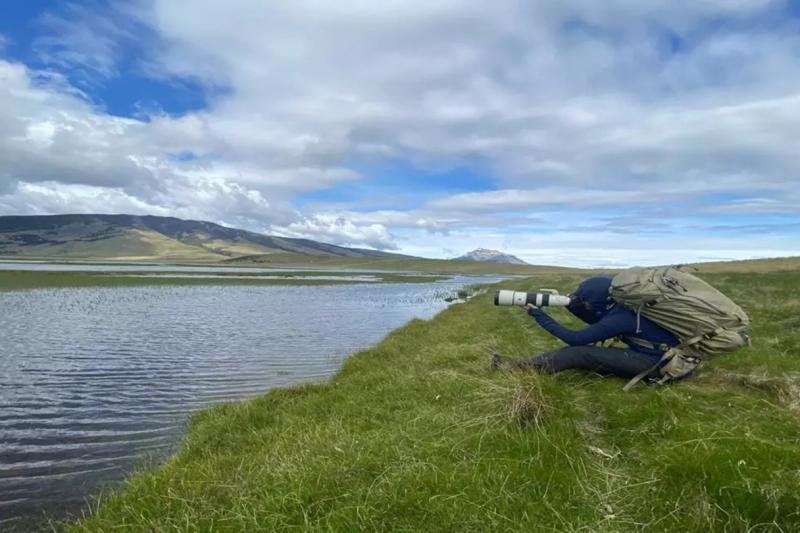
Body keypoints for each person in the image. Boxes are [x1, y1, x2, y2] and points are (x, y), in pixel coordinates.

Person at [491, 276, 679, 380]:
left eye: (585, 301)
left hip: (659, 364)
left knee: (577, 353)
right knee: (583, 352)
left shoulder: (622, 317)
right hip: (662, 356)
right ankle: (523, 367)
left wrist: (538, 314)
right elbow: (599, 325)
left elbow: (575, 339)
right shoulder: (624, 308)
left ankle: (514, 370)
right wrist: (573, 305)